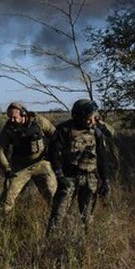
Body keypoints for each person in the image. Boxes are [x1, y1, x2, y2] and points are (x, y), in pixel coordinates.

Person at [47, 99, 114, 233]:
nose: (92, 121)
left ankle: (87, 240)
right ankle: (52, 241)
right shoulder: (64, 129)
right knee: (58, 215)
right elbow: (53, 154)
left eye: (93, 118)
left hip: (90, 177)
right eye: (89, 118)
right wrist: (60, 176)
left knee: (87, 217)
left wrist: (105, 180)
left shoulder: (96, 131)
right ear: (78, 116)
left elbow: (102, 156)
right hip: (69, 177)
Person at [0, 101, 58, 213]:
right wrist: (7, 169)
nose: (12, 120)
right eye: (10, 117)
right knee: (7, 199)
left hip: (41, 163)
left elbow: (55, 135)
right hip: (20, 166)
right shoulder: (9, 128)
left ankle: (57, 221)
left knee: (53, 196)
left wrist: (54, 156)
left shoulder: (38, 121)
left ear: (23, 114)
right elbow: (0, 149)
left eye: (14, 117)